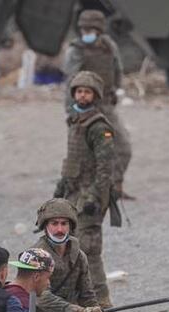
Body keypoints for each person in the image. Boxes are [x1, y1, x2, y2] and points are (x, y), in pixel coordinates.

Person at [56, 71, 118, 308]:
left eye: (87, 91)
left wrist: (94, 195)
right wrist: (61, 186)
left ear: (95, 96)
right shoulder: (75, 120)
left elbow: (105, 167)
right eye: (79, 91)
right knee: (68, 244)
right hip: (73, 191)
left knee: (89, 248)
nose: (82, 95)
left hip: (91, 195)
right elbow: (72, 158)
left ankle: (102, 301)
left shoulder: (98, 126)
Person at [62, 9, 132, 191]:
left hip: (105, 105)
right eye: (84, 31)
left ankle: (115, 187)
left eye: (91, 30)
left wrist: (115, 90)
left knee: (122, 148)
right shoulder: (75, 51)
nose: (87, 34)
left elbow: (117, 70)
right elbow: (70, 83)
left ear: (100, 30)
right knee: (83, 153)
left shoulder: (109, 47)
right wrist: (72, 112)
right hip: (84, 108)